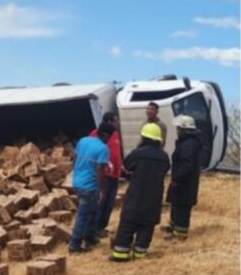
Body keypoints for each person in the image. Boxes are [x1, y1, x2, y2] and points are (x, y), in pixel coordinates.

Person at [109, 123, 170, 262]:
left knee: (128, 223)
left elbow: (127, 166)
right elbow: (165, 170)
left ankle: (120, 255)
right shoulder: (164, 156)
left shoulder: (137, 153)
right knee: (147, 225)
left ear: (144, 138)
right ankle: (140, 255)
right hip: (154, 196)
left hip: (136, 194)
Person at [68, 121, 115, 254]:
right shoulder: (103, 149)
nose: (109, 139)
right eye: (110, 136)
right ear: (105, 135)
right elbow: (100, 170)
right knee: (83, 215)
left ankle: (90, 237)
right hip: (89, 186)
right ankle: (75, 245)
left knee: (93, 211)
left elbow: (75, 158)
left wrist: (76, 173)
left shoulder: (83, 140)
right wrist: (103, 190)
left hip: (77, 182)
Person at [164, 114, 203, 240]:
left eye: (179, 128)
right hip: (182, 182)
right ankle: (173, 227)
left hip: (185, 184)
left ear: (184, 129)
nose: (177, 130)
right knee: (176, 205)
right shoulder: (188, 142)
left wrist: (177, 178)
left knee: (182, 208)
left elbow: (187, 165)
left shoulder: (189, 144)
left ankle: (179, 235)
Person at [89, 112, 123, 235]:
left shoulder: (116, 135)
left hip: (115, 174)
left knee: (109, 202)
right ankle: (95, 228)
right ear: (109, 122)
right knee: (101, 201)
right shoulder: (95, 134)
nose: (117, 123)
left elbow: (117, 152)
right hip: (103, 173)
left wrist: (121, 165)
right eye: (115, 121)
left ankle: (102, 226)